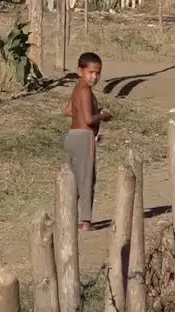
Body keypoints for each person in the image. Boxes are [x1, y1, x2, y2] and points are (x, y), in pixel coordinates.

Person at [64, 52, 111, 231]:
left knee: (72, 179)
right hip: (84, 137)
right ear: (80, 71)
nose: (95, 77)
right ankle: (85, 222)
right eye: (91, 72)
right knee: (86, 179)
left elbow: (68, 111)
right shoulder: (85, 90)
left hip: (72, 136)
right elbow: (89, 119)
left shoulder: (77, 89)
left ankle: (68, 217)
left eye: (98, 73)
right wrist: (103, 115)